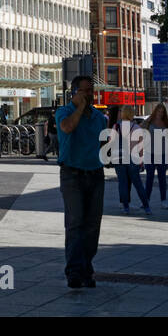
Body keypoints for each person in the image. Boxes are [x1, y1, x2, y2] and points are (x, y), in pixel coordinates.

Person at [56, 76, 107, 290]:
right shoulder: (64, 112)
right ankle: (74, 272)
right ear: (74, 93)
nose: (89, 95)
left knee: (92, 225)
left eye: (91, 91)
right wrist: (79, 108)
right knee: (75, 223)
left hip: (95, 173)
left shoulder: (99, 117)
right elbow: (67, 128)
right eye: (84, 91)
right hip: (72, 174)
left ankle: (87, 269)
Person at [109, 106, 150, 215]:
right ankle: (146, 207)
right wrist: (141, 160)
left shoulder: (116, 126)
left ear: (123, 114)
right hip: (133, 158)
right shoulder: (136, 127)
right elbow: (140, 146)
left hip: (120, 158)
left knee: (122, 183)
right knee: (138, 184)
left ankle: (126, 207)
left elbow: (110, 142)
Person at [143, 103, 168, 209]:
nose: (160, 113)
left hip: (162, 154)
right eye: (158, 111)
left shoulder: (166, 123)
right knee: (149, 177)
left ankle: (163, 201)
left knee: (162, 178)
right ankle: (146, 200)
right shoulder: (149, 121)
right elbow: (141, 130)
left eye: (162, 112)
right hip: (150, 153)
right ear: (155, 111)